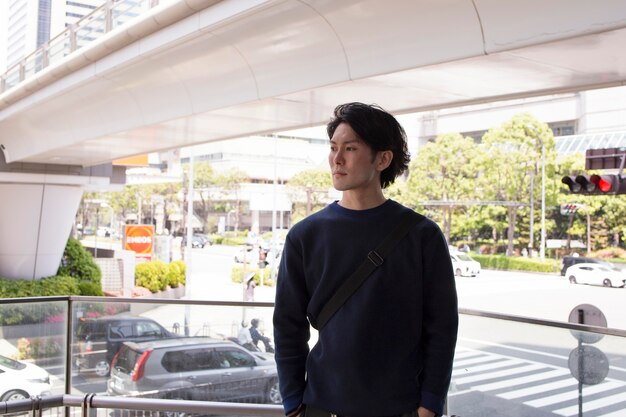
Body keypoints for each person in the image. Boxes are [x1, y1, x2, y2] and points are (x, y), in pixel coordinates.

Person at [273, 102, 458, 417]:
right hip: (322, 406)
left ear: (383, 159)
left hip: (400, 407)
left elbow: (442, 326)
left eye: (350, 148)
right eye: (333, 148)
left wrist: (430, 403)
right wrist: (293, 402)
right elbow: (288, 326)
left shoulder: (422, 236)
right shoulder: (305, 236)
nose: (337, 159)